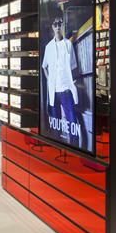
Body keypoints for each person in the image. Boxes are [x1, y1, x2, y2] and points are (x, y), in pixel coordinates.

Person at [41, 16, 80, 146]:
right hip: (54, 90)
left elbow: (74, 66)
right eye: (55, 24)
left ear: (62, 25)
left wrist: (71, 82)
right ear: (52, 27)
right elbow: (44, 66)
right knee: (55, 122)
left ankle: (74, 147)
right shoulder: (48, 47)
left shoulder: (68, 44)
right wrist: (49, 80)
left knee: (72, 121)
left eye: (59, 24)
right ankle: (56, 147)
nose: (57, 26)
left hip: (66, 89)